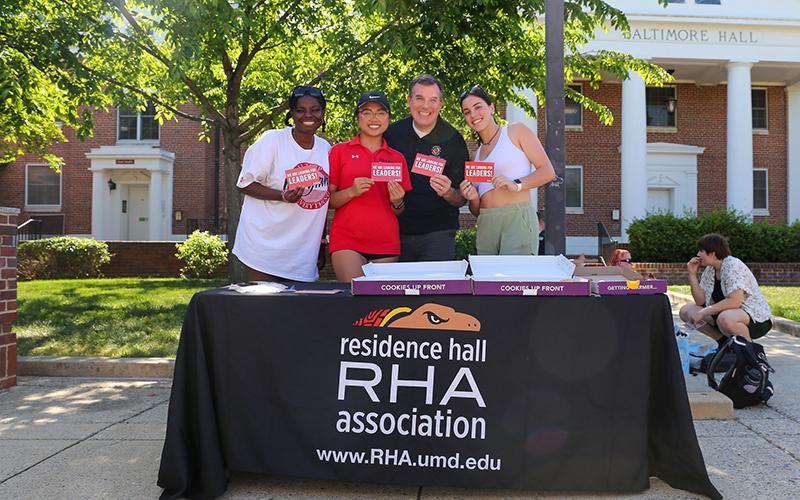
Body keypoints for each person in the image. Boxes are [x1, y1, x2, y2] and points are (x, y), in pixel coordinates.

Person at [232, 86, 331, 282]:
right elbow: (244, 184)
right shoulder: (272, 140)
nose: (308, 115)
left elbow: (323, 200)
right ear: (291, 114)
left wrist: (320, 243)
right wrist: (282, 195)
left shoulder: (326, 149)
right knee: (264, 310)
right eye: (300, 110)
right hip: (264, 247)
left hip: (303, 253)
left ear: (323, 112)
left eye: (315, 109)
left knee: (297, 312)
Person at [458, 85, 556, 255]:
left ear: (491, 107)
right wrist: (472, 198)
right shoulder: (475, 156)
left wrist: (516, 184)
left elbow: (548, 171)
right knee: (487, 280)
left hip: (517, 218)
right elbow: (477, 211)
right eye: (467, 112)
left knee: (515, 279)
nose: (473, 115)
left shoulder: (515, 131)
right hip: (486, 222)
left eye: (478, 107)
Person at [328, 91, 413, 282]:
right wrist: (351, 191)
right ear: (357, 118)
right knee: (353, 300)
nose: (374, 118)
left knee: (379, 308)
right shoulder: (339, 151)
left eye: (380, 113)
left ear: (388, 118)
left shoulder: (397, 158)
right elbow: (328, 201)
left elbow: (398, 211)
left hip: (385, 242)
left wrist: (398, 201)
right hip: (347, 239)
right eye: (367, 112)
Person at [384, 75, 469, 262]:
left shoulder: (454, 140)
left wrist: (448, 192)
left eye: (432, 100)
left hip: (438, 232)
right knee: (396, 290)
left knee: (435, 290)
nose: (425, 106)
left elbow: (461, 198)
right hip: (397, 231)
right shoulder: (391, 134)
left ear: (441, 104)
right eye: (419, 98)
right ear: (409, 101)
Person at [679, 233, 773, 344]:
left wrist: (704, 312)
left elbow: (735, 302)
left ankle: (749, 352)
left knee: (725, 318)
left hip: (755, 318)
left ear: (713, 253)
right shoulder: (710, 269)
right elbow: (700, 301)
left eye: (701, 251)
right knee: (686, 311)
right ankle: (723, 343)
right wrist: (692, 274)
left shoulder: (733, 266)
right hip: (724, 315)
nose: (698, 254)